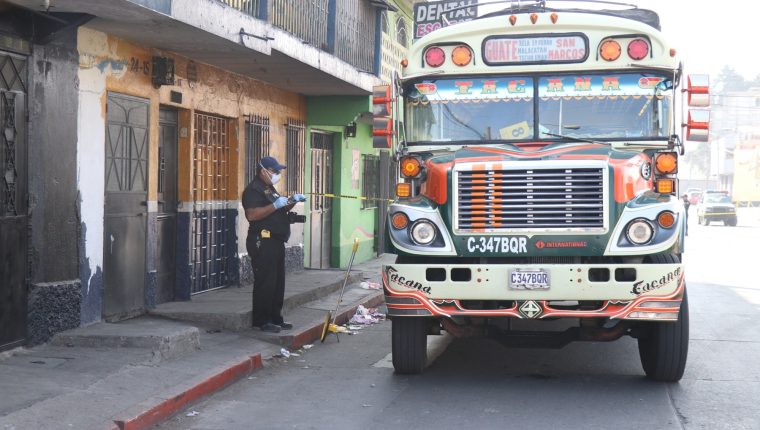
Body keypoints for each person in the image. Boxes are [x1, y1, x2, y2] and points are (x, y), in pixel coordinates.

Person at [242, 156, 306, 333]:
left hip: (276, 241)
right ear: (263, 171)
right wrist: (276, 205)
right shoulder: (253, 190)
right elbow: (253, 215)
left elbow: (279, 208)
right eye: (274, 171)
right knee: (265, 282)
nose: (277, 174)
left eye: (278, 171)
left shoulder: (269, 188)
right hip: (262, 241)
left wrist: (291, 201)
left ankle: (276, 318)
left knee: (278, 282)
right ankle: (261, 321)